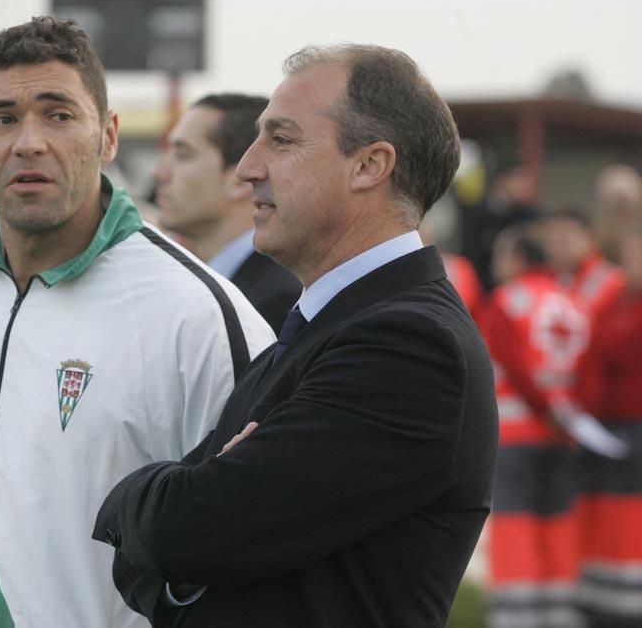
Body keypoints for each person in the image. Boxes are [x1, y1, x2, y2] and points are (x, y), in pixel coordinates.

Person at [0, 17, 274, 628]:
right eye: (3, 117)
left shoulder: (198, 314)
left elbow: (253, 546)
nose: (29, 142)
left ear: (109, 135)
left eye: (59, 114)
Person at [94, 44, 498, 626]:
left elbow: (190, 530)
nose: (247, 167)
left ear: (369, 166)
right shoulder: (325, 322)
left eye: (281, 140)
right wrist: (182, 507)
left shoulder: (408, 345)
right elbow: (176, 543)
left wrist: (143, 495)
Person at [478, 226, 592, 628]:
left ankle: (518, 617)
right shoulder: (574, 301)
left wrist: (543, 409)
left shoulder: (507, 301)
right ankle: (560, 614)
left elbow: (514, 365)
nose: (496, 265)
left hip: (517, 435)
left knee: (516, 527)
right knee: (558, 524)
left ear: (520, 259)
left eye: (503, 256)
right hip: (566, 434)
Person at [154, 94, 302, 333]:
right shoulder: (214, 284)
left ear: (240, 180)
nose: (159, 173)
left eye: (183, 155)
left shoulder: (276, 299)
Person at [575, 225, 642, 628]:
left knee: (628, 520)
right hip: (606, 427)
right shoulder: (616, 299)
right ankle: (605, 605)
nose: (629, 267)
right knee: (605, 519)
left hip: (634, 425)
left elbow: (618, 346)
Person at [542, 208, 624, 319]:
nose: (555, 248)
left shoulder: (611, 279)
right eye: (550, 241)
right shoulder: (544, 277)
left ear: (588, 239)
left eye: (563, 240)